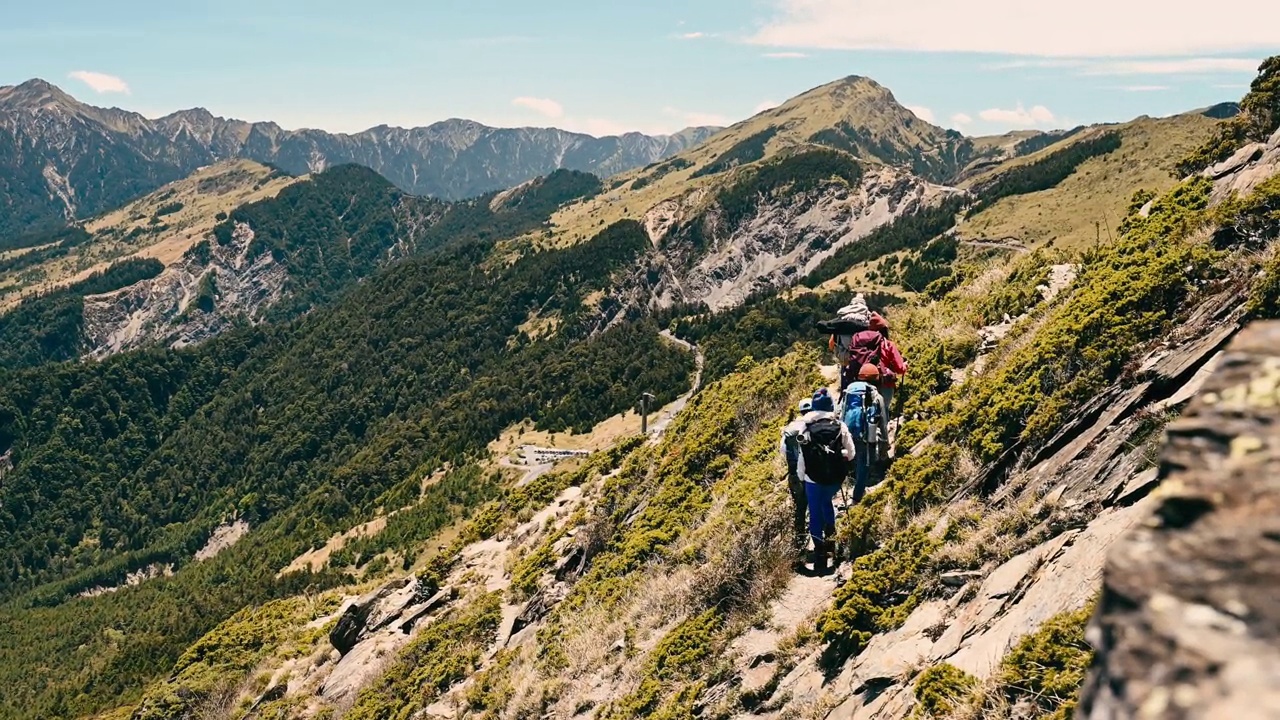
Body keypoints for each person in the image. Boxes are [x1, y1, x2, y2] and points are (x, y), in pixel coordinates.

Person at [794, 388, 855, 574]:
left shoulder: (805, 427)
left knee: (814, 512)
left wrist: (801, 476)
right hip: (834, 477)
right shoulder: (839, 425)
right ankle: (832, 543)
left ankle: (819, 552)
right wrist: (840, 456)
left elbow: (802, 457)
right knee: (827, 503)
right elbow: (851, 454)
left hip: (812, 478)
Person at [842, 364, 891, 502]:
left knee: (854, 458)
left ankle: (847, 484)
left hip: (846, 431)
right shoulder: (875, 395)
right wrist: (885, 445)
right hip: (864, 434)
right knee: (864, 463)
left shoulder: (850, 391)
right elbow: (883, 423)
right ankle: (858, 496)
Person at [780, 398, 813, 566]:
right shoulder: (813, 425)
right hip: (812, 474)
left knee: (800, 509)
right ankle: (820, 541)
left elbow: (782, 452)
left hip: (794, 476)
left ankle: (800, 545)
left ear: (800, 411)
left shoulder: (789, 429)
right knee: (816, 506)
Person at [867, 312, 907, 415]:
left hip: (868, 383)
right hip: (886, 384)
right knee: (883, 412)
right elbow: (899, 368)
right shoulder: (888, 345)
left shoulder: (864, 345)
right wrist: (905, 366)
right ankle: (883, 430)